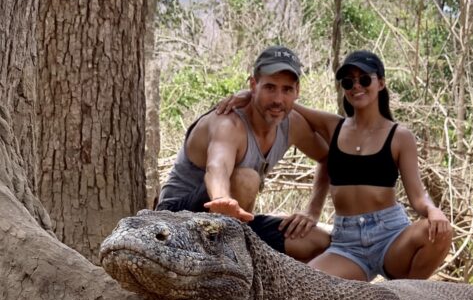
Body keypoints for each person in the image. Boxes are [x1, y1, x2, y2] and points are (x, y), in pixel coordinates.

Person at [219, 49, 452, 280]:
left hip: (390, 237)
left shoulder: (400, 136)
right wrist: (248, 95)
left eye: (364, 79)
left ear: (380, 83)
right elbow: (286, 104)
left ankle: (409, 295)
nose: (356, 86)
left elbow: (419, 196)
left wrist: (433, 211)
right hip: (347, 246)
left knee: (439, 233)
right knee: (303, 286)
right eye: (349, 82)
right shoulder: (334, 126)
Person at [156, 45, 330, 262]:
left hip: (236, 223)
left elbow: (327, 157)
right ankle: (226, 267)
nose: (278, 99)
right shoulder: (228, 122)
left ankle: (245, 262)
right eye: (269, 88)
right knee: (247, 179)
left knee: (320, 241)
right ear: (253, 85)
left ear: (297, 91)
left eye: (286, 90)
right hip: (177, 217)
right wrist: (221, 200)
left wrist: (312, 211)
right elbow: (217, 167)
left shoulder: (292, 123)